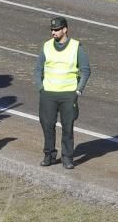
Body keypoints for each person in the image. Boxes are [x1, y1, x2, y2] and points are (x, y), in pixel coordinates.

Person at [35, 16, 90, 170]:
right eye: (52, 29)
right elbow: (38, 68)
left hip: (68, 95)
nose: (53, 32)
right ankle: (49, 155)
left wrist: (78, 90)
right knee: (47, 125)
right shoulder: (46, 46)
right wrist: (41, 87)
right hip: (48, 94)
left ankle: (67, 158)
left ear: (65, 29)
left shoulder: (76, 47)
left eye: (57, 29)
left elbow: (85, 70)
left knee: (67, 127)